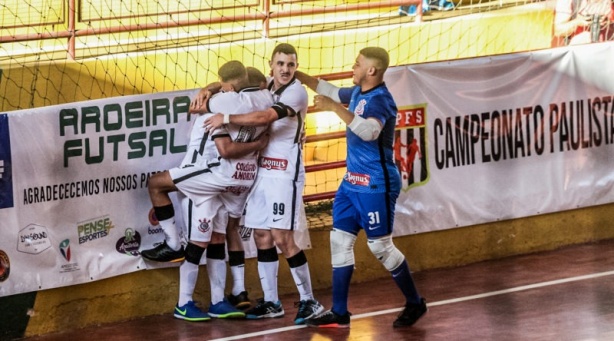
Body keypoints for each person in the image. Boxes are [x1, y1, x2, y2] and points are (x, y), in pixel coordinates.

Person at [294, 47, 427, 328]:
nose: (352, 68)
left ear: (371, 71)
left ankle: (415, 303)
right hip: (352, 182)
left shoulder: (381, 100)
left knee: (380, 246)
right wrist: (300, 76)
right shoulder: (356, 92)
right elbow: (329, 89)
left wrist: (334, 110)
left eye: (357, 64)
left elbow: (369, 131)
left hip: (376, 184)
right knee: (340, 242)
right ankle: (340, 312)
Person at [140, 61, 274, 322]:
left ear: (229, 87)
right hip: (220, 179)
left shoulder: (225, 104)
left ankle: (201, 292)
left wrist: (208, 89)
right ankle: (200, 301)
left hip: (207, 174)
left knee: (206, 237)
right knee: (209, 240)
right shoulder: (264, 99)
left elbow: (203, 111)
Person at [202, 43, 324, 325]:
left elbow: (265, 117)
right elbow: (234, 80)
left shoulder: (295, 93)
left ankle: (309, 301)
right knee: (261, 236)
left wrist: (226, 118)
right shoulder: (266, 83)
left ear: (296, 67)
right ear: (271, 65)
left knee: (282, 238)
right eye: (281, 64)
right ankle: (272, 302)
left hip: (284, 174)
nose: (285, 69)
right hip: (262, 172)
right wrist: (209, 89)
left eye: (291, 65)